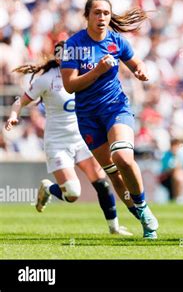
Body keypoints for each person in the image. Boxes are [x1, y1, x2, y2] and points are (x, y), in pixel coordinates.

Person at [5, 41, 133, 236]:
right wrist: (14, 115)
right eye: (62, 55)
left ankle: (114, 228)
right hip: (58, 143)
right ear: (57, 57)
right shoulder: (46, 79)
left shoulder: (84, 74)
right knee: (72, 193)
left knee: (101, 182)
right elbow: (19, 102)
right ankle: (48, 189)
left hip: (82, 137)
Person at [60, 0, 159, 239]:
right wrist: (98, 70)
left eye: (106, 12)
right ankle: (140, 217)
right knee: (113, 172)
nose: (102, 17)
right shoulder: (73, 45)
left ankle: (143, 208)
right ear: (87, 16)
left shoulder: (117, 41)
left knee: (123, 157)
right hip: (87, 117)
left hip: (116, 108)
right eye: (97, 13)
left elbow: (136, 64)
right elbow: (70, 86)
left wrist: (140, 71)